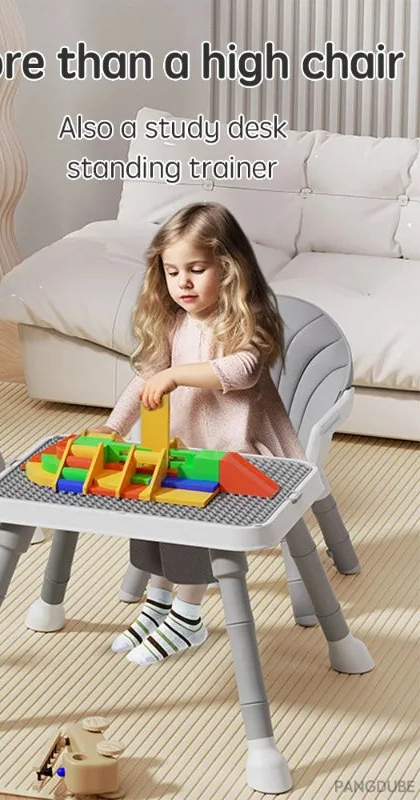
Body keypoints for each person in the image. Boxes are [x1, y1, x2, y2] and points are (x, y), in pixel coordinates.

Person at [92, 202, 304, 666]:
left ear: (228, 269)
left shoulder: (245, 317)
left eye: (196, 269)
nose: (182, 282)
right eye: (171, 271)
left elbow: (244, 370)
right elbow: (145, 379)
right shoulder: (172, 320)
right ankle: (159, 602)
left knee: (189, 516)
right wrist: (115, 424)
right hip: (184, 450)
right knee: (150, 507)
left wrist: (177, 375)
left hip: (241, 454)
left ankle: (189, 616)